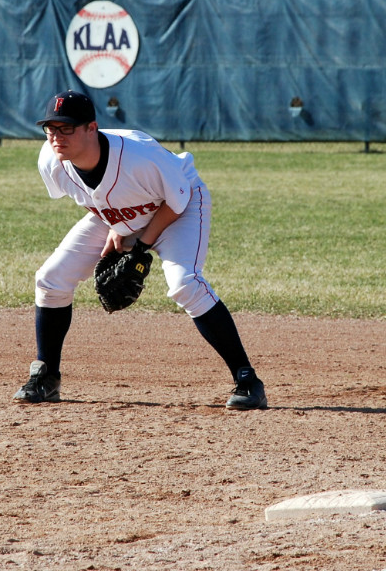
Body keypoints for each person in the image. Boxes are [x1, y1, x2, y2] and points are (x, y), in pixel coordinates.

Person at [13, 90, 267, 410]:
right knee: (51, 278)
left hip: (179, 206)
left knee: (185, 284)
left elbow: (177, 201)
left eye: (66, 128)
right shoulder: (52, 162)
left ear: (92, 128)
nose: (56, 137)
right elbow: (93, 199)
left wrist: (140, 245)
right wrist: (117, 228)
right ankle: (46, 376)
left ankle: (248, 381)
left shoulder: (139, 155)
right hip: (124, 213)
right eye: (50, 129)